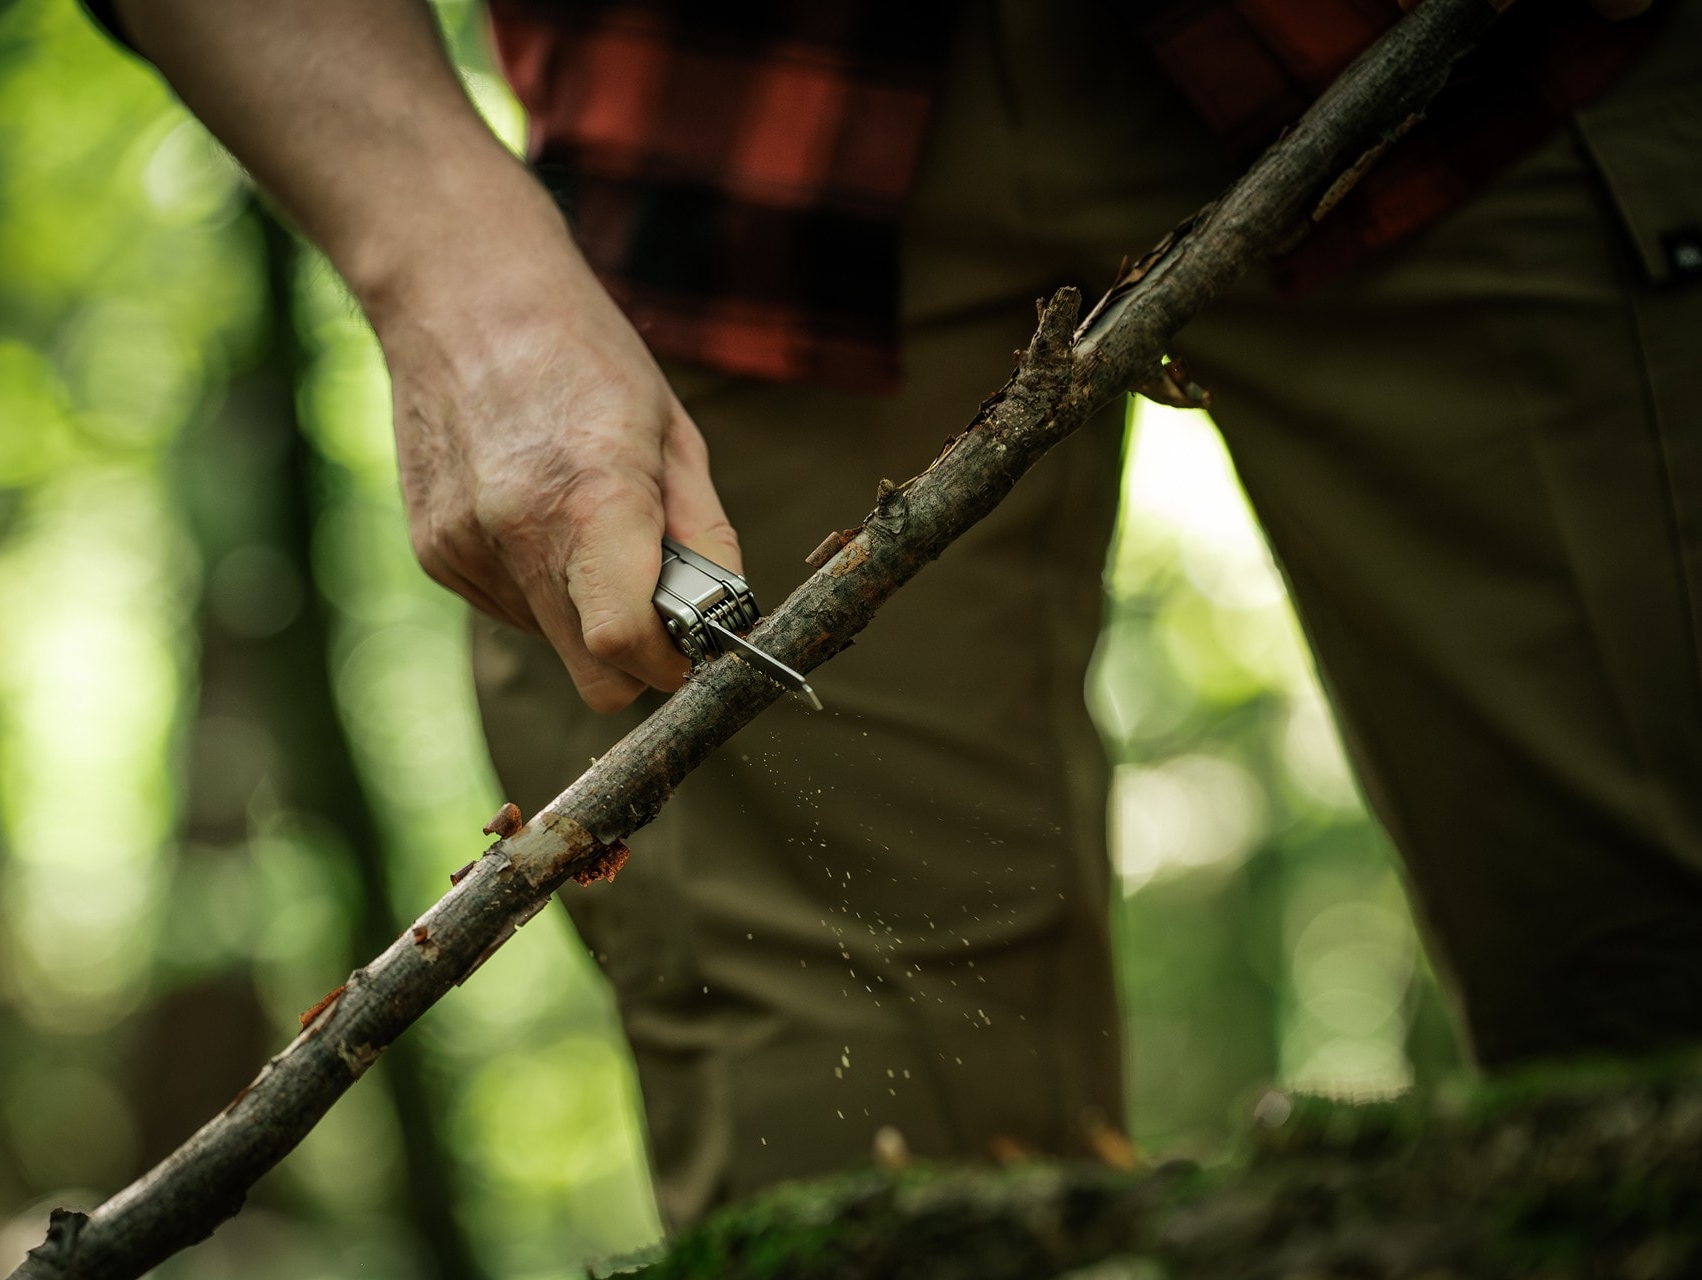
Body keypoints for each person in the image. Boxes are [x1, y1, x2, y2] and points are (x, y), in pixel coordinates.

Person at [90, 0, 1702, 1229]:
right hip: (715, 148)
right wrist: (450, 263)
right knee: (858, 1188)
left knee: (1650, 1023)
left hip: (1475, 70)